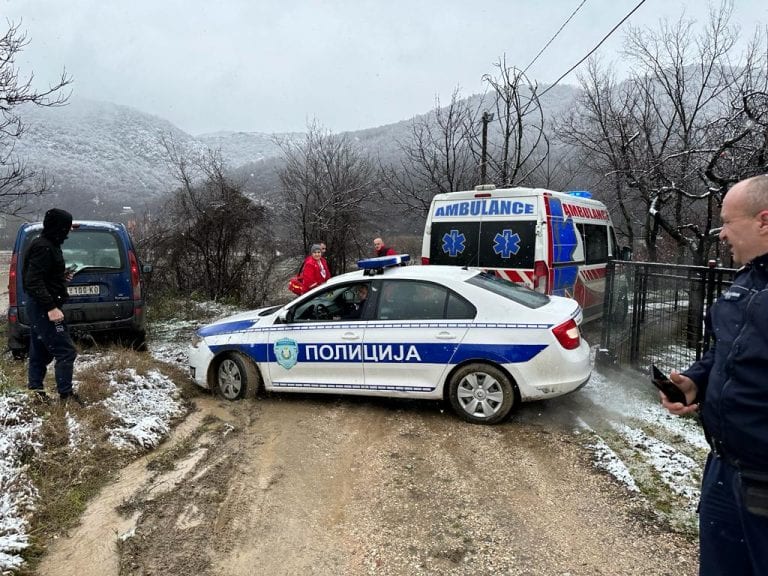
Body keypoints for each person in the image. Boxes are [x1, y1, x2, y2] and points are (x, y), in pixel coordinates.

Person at [661, 174, 768, 575]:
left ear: (764, 221)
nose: (721, 234)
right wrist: (697, 381)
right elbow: (727, 353)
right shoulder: (747, 281)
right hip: (724, 468)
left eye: (727, 222)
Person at [23, 208, 81, 405]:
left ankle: (36, 393)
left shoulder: (48, 245)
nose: (68, 232)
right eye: (66, 227)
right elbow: (32, 282)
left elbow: (42, 277)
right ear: (58, 227)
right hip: (43, 308)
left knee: (39, 350)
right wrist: (51, 308)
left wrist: (61, 277)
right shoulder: (44, 247)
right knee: (66, 351)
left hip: (41, 305)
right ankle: (66, 396)